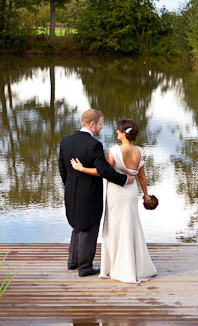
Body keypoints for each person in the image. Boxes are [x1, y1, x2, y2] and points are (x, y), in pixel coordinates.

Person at [70, 118, 157, 284]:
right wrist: (146, 195)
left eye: (118, 130)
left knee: (115, 227)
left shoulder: (115, 150)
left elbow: (103, 171)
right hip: (131, 193)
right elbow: (142, 176)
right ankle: (135, 265)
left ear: (124, 133)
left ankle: (116, 266)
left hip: (116, 193)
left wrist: (82, 169)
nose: (116, 132)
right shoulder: (141, 151)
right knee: (131, 225)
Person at [58, 109, 135, 277]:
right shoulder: (94, 145)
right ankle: (84, 268)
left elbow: (62, 169)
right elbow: (104, 170)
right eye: (100, 124)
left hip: (71, 191)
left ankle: (73, 262)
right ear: (92, 124)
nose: (101, 128)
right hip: (89, 193)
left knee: (77, 226)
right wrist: (124, 180)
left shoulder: (66, 141)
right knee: (89, 228)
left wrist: (70, 185)